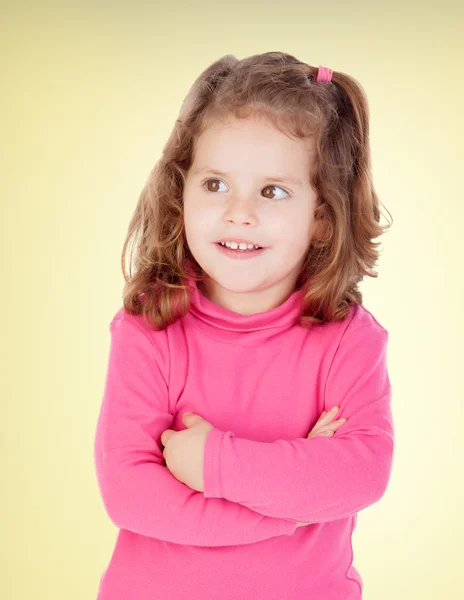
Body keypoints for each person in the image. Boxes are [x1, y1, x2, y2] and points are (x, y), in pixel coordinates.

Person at [93, 51, 395, 600]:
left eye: (272, 191)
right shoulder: (148, 330)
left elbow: (361, 474)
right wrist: (288, 508)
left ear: (322, 218)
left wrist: (212, 463)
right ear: (181, 192)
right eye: (214, 185)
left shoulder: (349, 338)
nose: (238, 212)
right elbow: (130, 495)